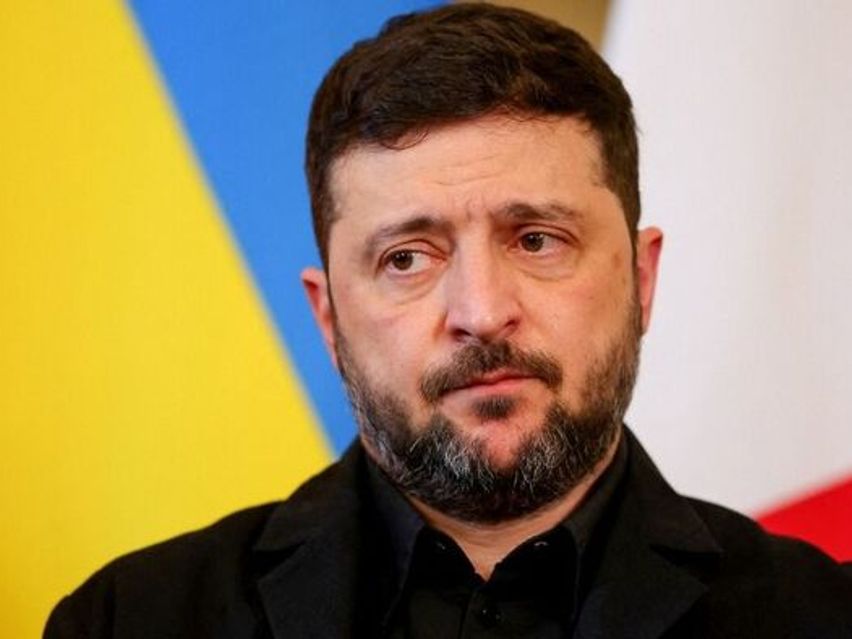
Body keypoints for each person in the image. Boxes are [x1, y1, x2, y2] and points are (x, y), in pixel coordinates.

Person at [45, 4, 852, 638]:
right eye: (407, 257)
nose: (482, 312)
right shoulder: (130, 620)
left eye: (537, 239)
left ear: (642, 279)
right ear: (328, 316)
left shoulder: (820, 616)